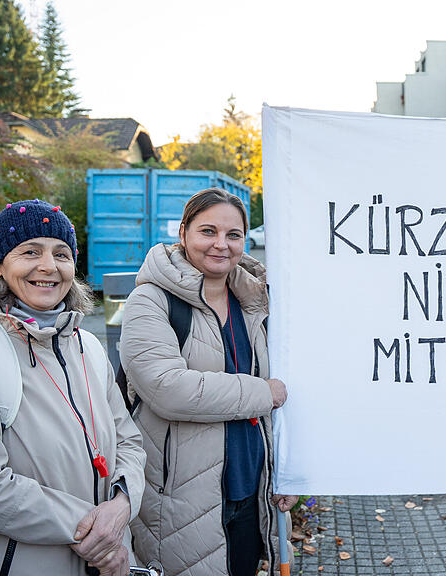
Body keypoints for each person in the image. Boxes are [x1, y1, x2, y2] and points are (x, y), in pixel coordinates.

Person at [0, 199, 146, 576]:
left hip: (107, 560)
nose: (48, 266)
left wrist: (122, 505)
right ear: (0, 266)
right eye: (30, 252)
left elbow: (129, 444)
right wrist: (95, 529)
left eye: (61, 254)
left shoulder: (87, 347)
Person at [120, 188, 295, 576]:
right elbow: (168, 389)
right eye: (208, 231)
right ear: (183, 233)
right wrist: (262, 393)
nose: (221, 244)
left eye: (233, 235)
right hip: (182, 500)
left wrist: (288, 471)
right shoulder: (150, 300)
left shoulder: (256, 302)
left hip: (251, 490)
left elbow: (291, 392)